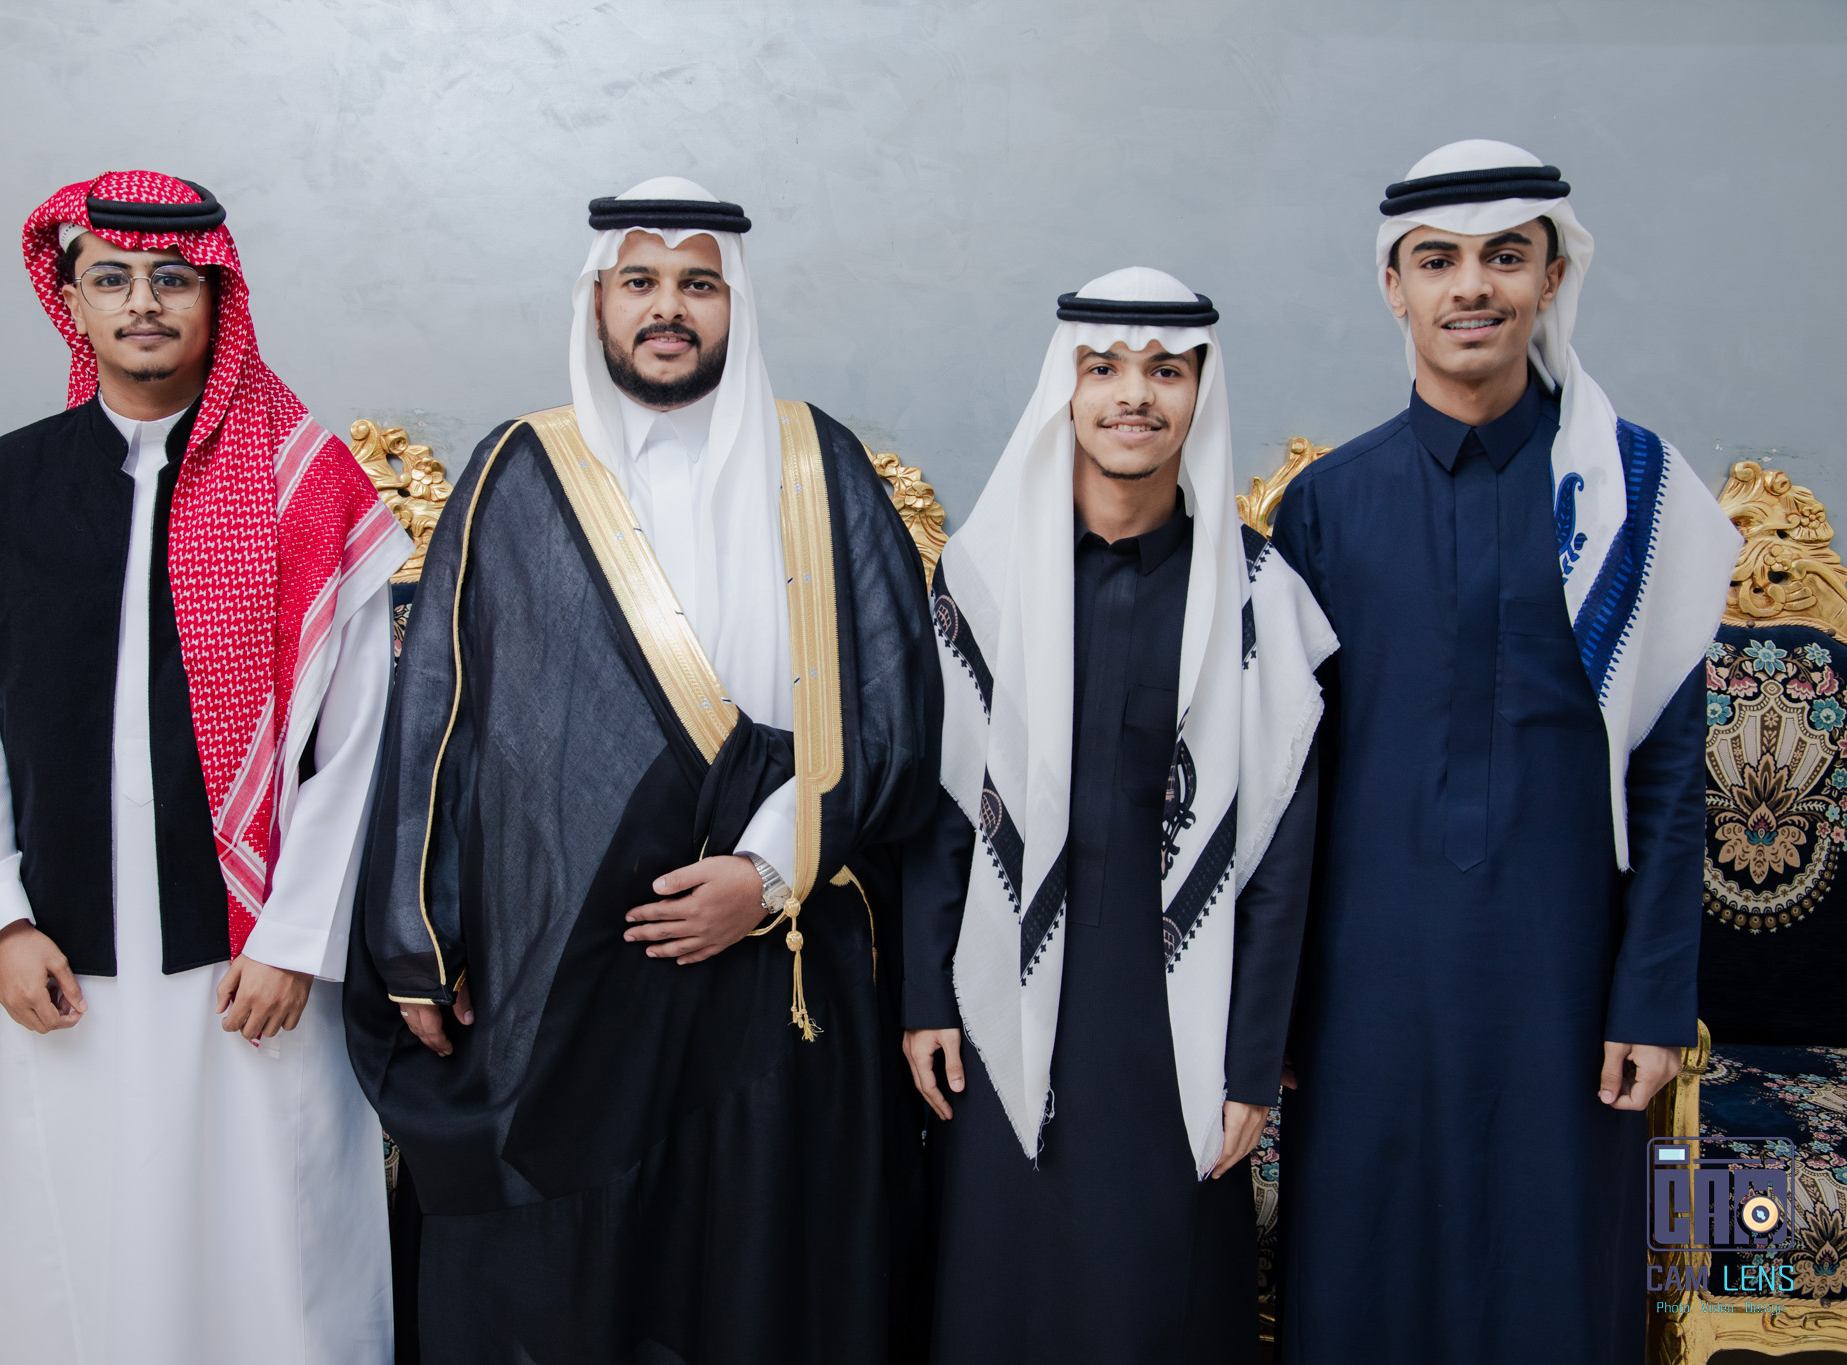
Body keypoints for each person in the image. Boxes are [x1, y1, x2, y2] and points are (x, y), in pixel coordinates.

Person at [345, 177, 940, 1365]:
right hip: (567, 954)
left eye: (696, 284)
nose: (668, 308)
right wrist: (420, 945)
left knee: (762, 1277)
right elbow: (440, 720)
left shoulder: (817, 464)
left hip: (777, 954)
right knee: (571, 1287)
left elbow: (893, 715)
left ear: (734, 304)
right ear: (598, 302)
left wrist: (761, 876)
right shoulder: (519, 469)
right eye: (640, 282)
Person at [0, 172, 410, 1364]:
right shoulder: (11, 483)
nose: (141, 302)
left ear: (216, 298)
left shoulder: (303, 484)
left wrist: (294, 938)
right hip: (65, 955)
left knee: (275, 1251)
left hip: (256, 962)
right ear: (73, 302)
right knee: (89, 1251)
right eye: (112, 278)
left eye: (171, 279)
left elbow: (357, 739)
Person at [1270, 140, 1741, 1362]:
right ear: (1393, 288)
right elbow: (1282, 781)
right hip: (1364, 976)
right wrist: (1272, 1010)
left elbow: (1667, 776)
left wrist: (1651, 997)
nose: (1470, 285)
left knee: (1552, 1279)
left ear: (1550, 277)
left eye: (1502, 256)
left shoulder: (1630, 497)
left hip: (1563, 975)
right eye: (1436, 260)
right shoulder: (1325, 506)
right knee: (1362, 1278)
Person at [900, 269, 1335, 1362]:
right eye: (1103, 368)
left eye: (1165, 370)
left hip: (1175, 1008)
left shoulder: (1259, 599)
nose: (1133, 394)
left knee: (1155, 1299)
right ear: (1067, 386)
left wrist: (1251, 1063)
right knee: (996, 1290)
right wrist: (925, 998)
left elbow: (1279, 860)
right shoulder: (983, 581)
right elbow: (939, 816)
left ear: (1200, 393)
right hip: (997, 986)